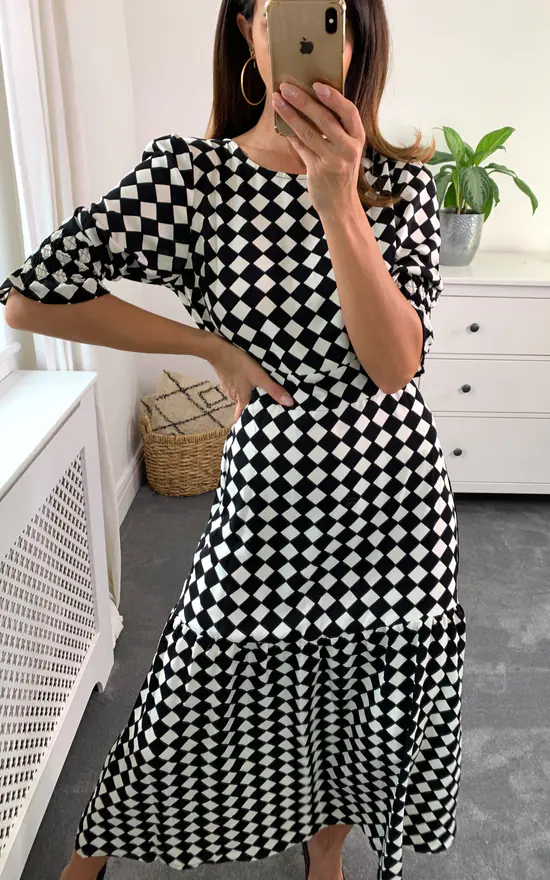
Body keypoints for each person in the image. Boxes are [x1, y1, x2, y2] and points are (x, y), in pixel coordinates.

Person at [1, 1, 466, 879]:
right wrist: (207, 344)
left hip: (394, 493)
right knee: (197, 672)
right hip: (272, 485)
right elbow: (31, 297)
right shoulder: (197, 179)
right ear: (248, 31)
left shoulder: (403, 184)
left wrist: (339, 198)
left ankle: (326, 850)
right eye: (283, 11)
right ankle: (94, 848)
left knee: (363, 689)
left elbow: (395, 363)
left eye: (332, 13)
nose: (312, 33)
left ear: (359, 35)